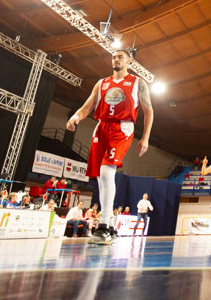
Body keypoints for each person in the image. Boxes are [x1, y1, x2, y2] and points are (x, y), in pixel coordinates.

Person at [66, 49, 154, 245]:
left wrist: (145, 138)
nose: (116, 59)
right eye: (114, 57)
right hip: (102, 127)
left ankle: (103, 225)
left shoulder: (138, 83)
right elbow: (88, 106)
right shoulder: (102, 82)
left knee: (107, 173)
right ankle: (112, 226)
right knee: (100, 177)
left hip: (122, 127)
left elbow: (148, 110)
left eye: (120, 57)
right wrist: (75, 117)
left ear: (129, 61)